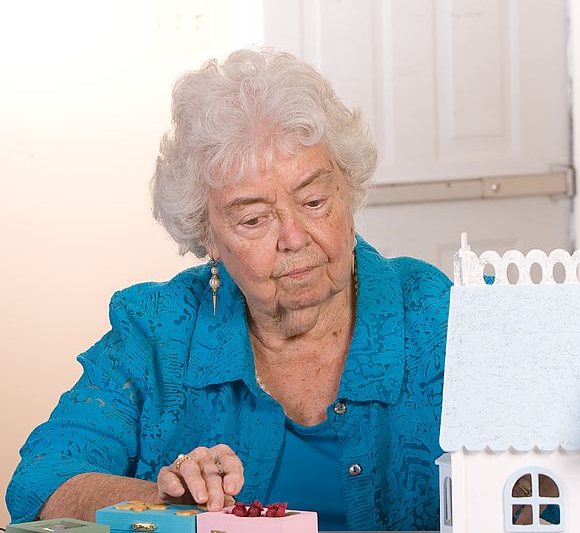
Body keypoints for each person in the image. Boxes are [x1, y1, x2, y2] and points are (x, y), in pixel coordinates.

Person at [6, 48, 451, 531]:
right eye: (254, 219)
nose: (295, 238)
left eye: (315, 200)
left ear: (349, 190)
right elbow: (41, 483)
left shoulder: (437, 313)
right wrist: (165, 500)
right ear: (208, 236)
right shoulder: (156, 329)